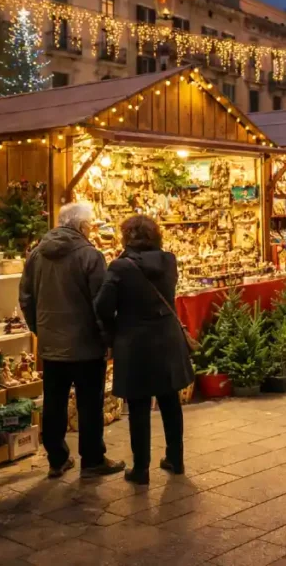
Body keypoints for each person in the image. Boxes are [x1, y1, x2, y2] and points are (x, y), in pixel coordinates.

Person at [19, 202, 125, 480]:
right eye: (89, 225)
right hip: (86, 344)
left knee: (54, 401)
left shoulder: (36, 255)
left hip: (52, 344)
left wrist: (40, 329)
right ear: (81, 226)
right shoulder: (90, 256)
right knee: (90, 403)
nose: (91, 230)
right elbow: (101, 304)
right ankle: (91, 459)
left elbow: (26, 298)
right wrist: (108, 338)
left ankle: (57, 458)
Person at [93, 215, 195, 485]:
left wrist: (116, 328)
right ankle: (176, 458)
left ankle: (141, 469)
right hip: (167, 340)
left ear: (127, 236)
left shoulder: (120, 267)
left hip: (135, 343)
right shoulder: (169, 261)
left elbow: (102, 305)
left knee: (138, 407)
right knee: (170, 401)